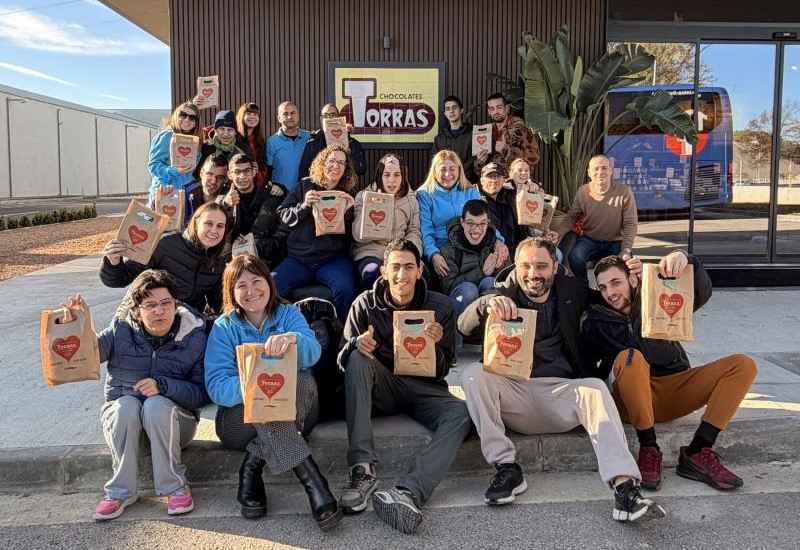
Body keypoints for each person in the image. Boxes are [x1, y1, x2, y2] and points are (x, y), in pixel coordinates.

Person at [458, 237, 665, 523]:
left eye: (542, 265)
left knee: (595, 388)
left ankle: (625, 488)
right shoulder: (503, 291)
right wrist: (487, 303)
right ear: (515, 267)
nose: (533, 273)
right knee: (473, 374)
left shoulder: (570, 290)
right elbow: (463, 324)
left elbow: (613, 301)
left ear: (555, 267)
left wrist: (634, 282)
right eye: (526, 266)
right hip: (514, 394)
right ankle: (506, 468)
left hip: (560, 393)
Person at [584, 252, 758, 491]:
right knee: (629, 358)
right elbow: (586, 364)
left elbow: (700, 293)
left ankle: (698, 451)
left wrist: (687, 261)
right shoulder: (596, 320)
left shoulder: (655, 299)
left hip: (673, 388)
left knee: (743, 365)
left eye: (616, 283)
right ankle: (648, 448)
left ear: (633, 280)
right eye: (603, 287)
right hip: (630, 398)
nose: (610, 292)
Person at [336, 239, 472, 534]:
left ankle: (409, 491)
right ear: (383, 271)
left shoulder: (441, 306)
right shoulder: (364, 304)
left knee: (463, 413)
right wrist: (355, 346)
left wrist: (435, 346)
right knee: (359, 359)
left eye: (409, 267)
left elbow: (444, 368)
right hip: (381, 385)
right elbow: (341, 361)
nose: (402, 275)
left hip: (425, 388)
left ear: (420, 270)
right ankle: (362, 469)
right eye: (395, 267)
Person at [204, 255, 342, 531]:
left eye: (257, 281)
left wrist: (293, 341)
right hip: (238, 423)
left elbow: (313, 353)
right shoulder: (224, 327)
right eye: (241, 285)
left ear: (269, 282)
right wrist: (253, 385)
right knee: (267, 404)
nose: (251, 291)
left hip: (297, 412)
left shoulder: (288, 314)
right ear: (231, 291)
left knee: (302, 382)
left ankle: (252, 466)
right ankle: (313, 481)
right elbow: (216, 386)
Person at [76, 269, 209, 520]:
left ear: (176, 305)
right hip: (126, 426)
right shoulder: (120, 331)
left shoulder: (194, 337)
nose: (159, 311)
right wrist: (77, 323)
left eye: (165, 303)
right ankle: (120, 492)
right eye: (150, 305)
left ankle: (175, 486)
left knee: (156, 405)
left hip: (174, 424)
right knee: (125, 405)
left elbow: (201, 393)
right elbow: (85, 355)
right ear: (137, 310)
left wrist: (164, 386)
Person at [273, 145, 357, 321]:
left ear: (346, 169)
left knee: (346, 288)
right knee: (272, 285)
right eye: (332, 160)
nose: (336, 166)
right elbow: (283, 216)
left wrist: (348, 213)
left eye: (341, 163)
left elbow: (354, 236)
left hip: (332, 259)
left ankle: (343, 336)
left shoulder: (348, 194)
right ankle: (277, 331)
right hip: (299, 258)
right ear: (322, 162)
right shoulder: (305, 185)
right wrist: (304, 206)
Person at [100, 202, 228, 316]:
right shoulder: (165, 246)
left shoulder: (218, 261)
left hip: (189, 323)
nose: (213, 231)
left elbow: (218, 304)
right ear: (196, 223)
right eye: (208, 224)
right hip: (155, 316)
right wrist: (113, 262)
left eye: (220, 226)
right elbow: (120, 279)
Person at [416, 149, 508, 282]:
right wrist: (433, 254)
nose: (448, 174)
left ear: (459, 170)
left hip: (472, 248)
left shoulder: (470, 191)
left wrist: (498, 240)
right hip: (444, 253)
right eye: (443, 169)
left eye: (452, 169)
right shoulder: (425, 195)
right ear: (435, 171)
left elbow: (485, 220)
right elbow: (425, 229)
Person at [553, 154, 638, 286]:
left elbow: (630, 223)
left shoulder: (624, 192)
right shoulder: (583, 192)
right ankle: (584, 289)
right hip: (590, 239)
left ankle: (614, 292)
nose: (600, 172)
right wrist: (558, 233)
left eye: (604, 168)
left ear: (611, 170)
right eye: (596, 169)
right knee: (575, 257)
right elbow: (572, 216)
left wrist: (626, 249)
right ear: (589, 173)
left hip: (616, 241)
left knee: (624, 267)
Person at [439, 199, 510, 349]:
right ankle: (454, 348)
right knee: (468, 289)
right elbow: (447, 286)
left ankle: (491, 346)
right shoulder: (448, 249)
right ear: (462, 222)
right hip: (461, 302)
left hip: (486, 305)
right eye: (470, 223)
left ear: (487, 223)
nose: (476, 230)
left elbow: (509, 281)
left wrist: (498, 268)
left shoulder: (497, 246)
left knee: (491, 283)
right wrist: (481, 271)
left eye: (482, 224)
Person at [351, 154, 422, 290]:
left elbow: (414, 231)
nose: (391, 181)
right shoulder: (363, 196)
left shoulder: (410, 199)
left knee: (423, 274)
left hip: (400, 253)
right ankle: (371, 310)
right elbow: (356, 235)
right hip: (371, 252)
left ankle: (408, 311)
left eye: (397, 175)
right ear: (380, 176)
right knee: (372, 272)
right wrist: (370, 206)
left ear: (403, 177)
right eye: (386, 175)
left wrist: (413, 255)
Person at [222, 153, 287, 267]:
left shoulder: (271, 198)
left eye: (247, 171)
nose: (242, 176)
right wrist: (226, 206)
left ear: (254, 172)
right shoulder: (223, 199)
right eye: (237, 172)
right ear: (230, 175)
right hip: (232, 262)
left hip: (266, 261)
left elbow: (282, 238)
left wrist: (254, 243)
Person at [147, 101, 201, 204]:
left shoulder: (195, 141)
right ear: (176, 116)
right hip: (164, 192)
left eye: (192, 117)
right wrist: (174, 171)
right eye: (183, 115)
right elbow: (153, 165)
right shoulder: (166, 136)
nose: (187, 120)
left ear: (195, 123)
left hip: (184, 194)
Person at [474, 93, 540, 173]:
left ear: (507, 108)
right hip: (492, 182)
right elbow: (479, 172)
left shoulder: (520, 129)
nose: (496, 112)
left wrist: (505, 150)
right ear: (488, 111)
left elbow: (533, 158)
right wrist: (480, 163)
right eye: (492, 109)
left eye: (499, 107)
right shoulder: (486, 131)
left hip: (514, 182)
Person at [299, 103, 367, 180]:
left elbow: (361, 169)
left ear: (339, 118)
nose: (328, 118)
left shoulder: (352, 143)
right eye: (325, 115)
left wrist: (348, 152)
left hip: (343, 187)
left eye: (332, 115)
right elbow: (303, 169)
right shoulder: (313, 142)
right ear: (321, 119)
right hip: (318, 188)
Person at [432, 95, 477, 183]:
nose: (451, 111)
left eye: (454, 108)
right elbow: (435, 163)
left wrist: (458, 173)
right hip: (446, 184)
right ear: (445, 113)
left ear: (461, 110)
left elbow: (474, 159)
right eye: (448, 109)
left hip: (468, 183)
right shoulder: (439, 139)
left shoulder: (473, 134)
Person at [266, 101, 310, 191]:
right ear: (279, 118)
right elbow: (267, 172)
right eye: (285, 114)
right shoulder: (272, 142)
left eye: (293, 113)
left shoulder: (309, 137)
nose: (289, 117)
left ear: (298, 117)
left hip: (305, 193)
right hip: (281, 195)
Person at [196, 110, 252, 177]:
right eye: (221, 129)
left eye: (230, 130)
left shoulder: (243, 150)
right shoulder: (205, 148)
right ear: (215, 130)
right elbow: (197, 173)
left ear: (235, 132)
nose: (225, 134)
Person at [182, 153, 229, 223]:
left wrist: (227, 205)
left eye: (219, 177)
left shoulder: (230, 197)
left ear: (226, 179)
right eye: (209, 174)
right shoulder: (187, 193)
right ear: (201, 173)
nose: (213, 181)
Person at [236, 102, 268, 187]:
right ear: (242, 116)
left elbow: (263, 166)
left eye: (255, 114)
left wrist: (258, 172)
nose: (252, 117)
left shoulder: (260, 142)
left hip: (255, 186)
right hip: (237, 182)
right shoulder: (234, 137)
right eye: (249, 113)